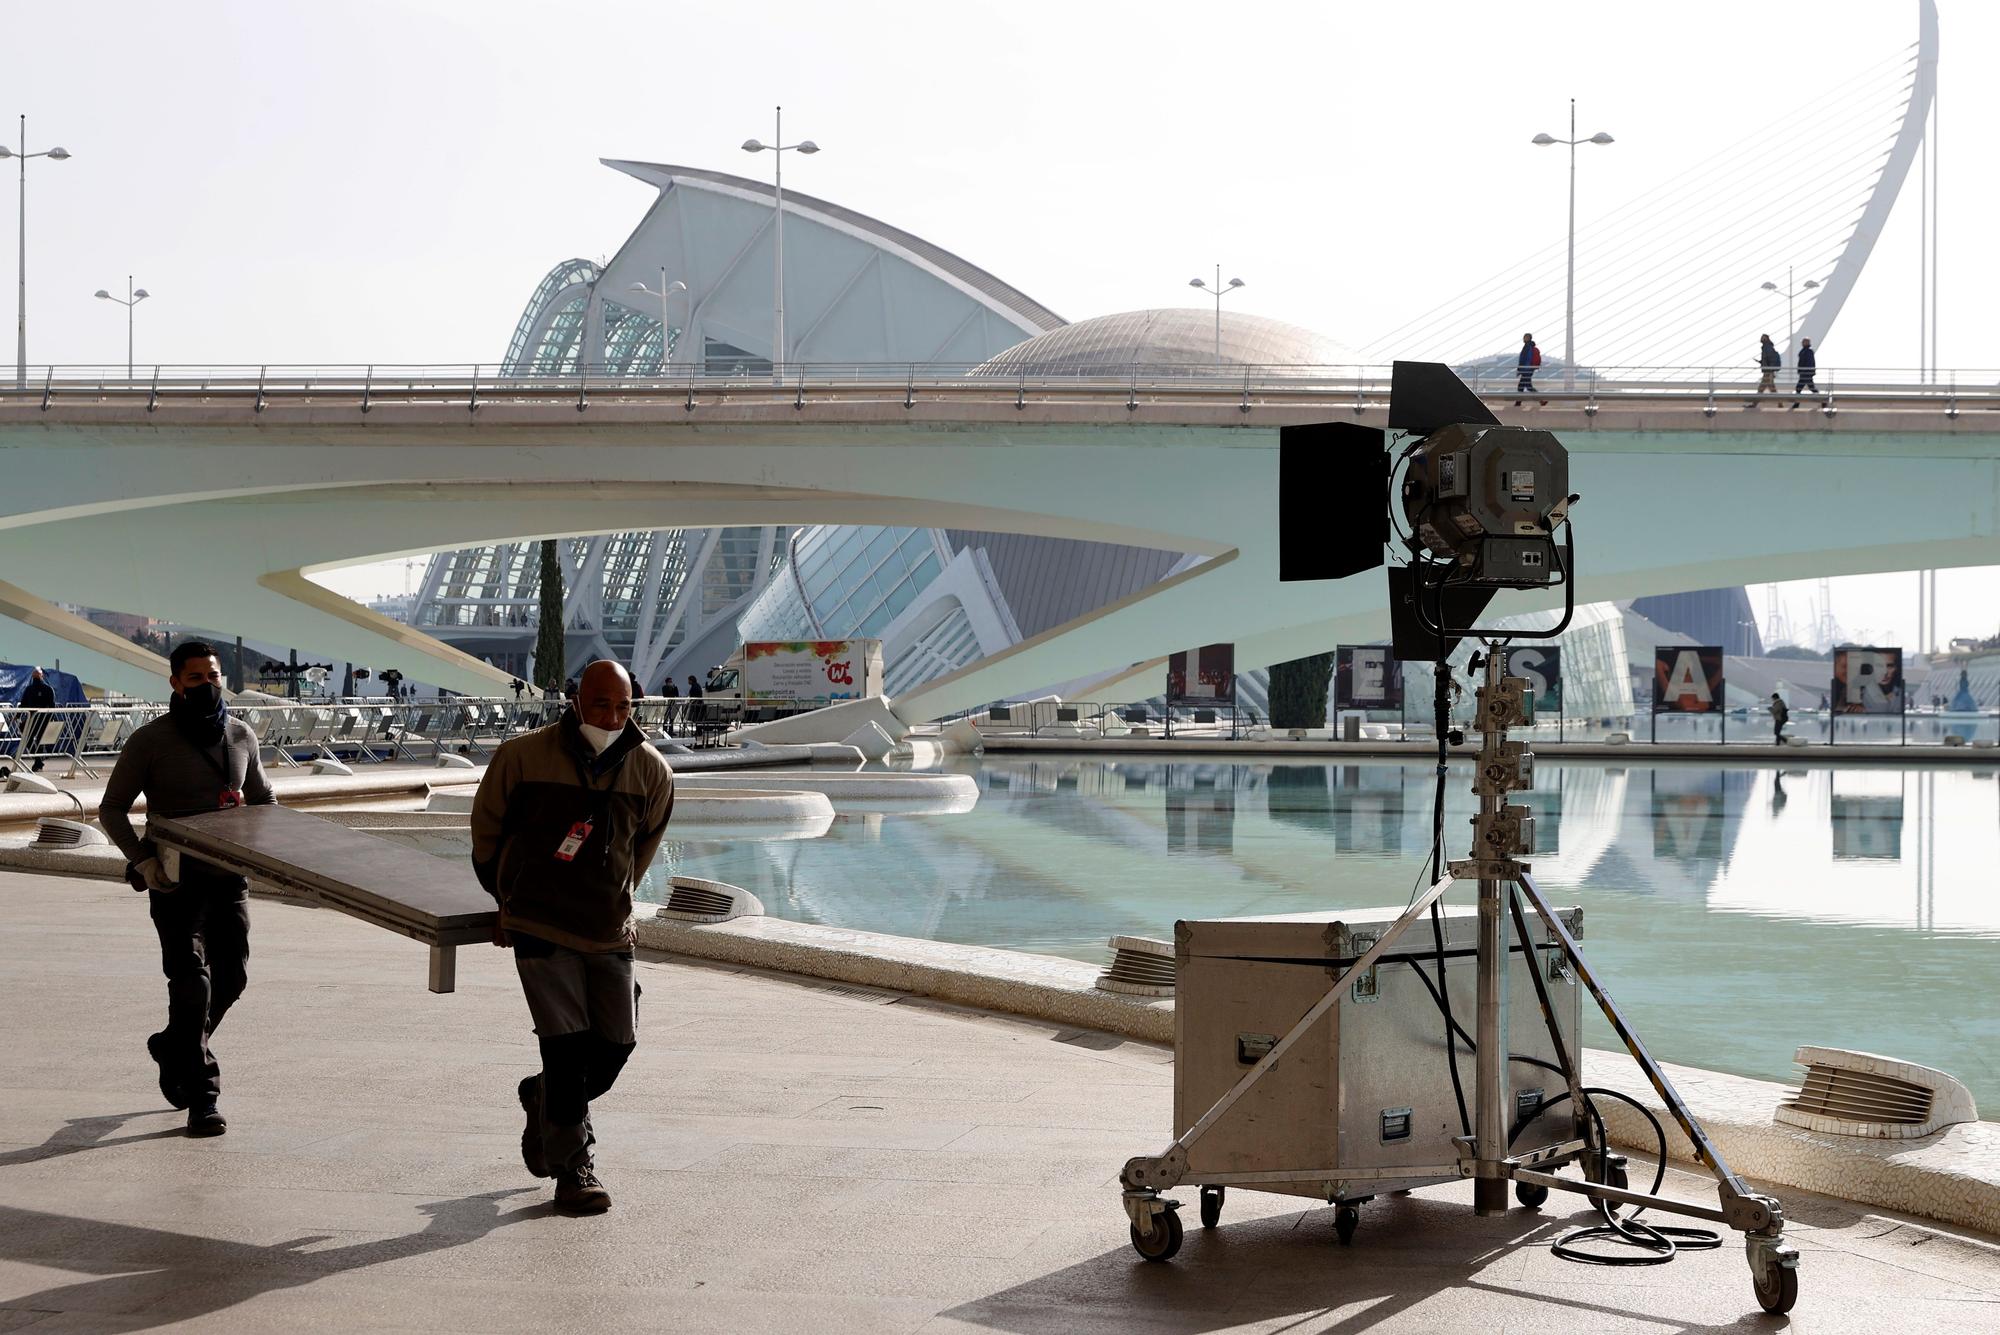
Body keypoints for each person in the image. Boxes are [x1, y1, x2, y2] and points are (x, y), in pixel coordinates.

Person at [470, 659, 675, 1215]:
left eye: (623, 705)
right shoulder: (523, 757)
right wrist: (505, 899)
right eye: (602, 703)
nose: (612, 716)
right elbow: (486, 832)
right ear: (577, 700)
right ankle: (572, 1168)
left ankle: (541, 1098)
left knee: (615, 1045)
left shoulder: (650, 770)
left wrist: (618, 898)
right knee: (564, 1049)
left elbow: (642, 849)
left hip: (608, 928)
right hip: (538, 922)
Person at [99, 640, 275, 1137]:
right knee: (191, 982)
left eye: (212, 676)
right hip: (174, 882)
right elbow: (111, 808)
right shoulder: (150, 741)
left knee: (233, 979)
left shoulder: (241, 735)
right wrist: (141, 859)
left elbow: (264, 802)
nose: (206, 685)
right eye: (194, 678)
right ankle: (203, 1097)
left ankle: (174, 1046)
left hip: (229, 880)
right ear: (175, 683)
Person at [18, 666, 56, 771]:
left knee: (35, 740)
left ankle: (38, 762)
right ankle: (38, 761)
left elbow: (52, 706)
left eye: (36, 675)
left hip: (40, 719)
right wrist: (17, 715)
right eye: (34, 676)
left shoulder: (46, 689)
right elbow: (23, 704)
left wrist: (50, 718)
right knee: (31, 740)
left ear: (41, 676)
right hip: (34, 719)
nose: (35, 678)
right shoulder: (30, 689)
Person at [1514, 333, 1544, 406]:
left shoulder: (1527, 347)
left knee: (1524, 387)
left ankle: (1541, 400)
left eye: (1525, 337)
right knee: (1525, 386)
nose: (1523, 339)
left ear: (1528, 338)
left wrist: (1521, 369)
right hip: (1528, 370)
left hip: (1526, 370)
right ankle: (1541, 400)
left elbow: (1525, 359)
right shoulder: (1529, 346)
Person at [1792, 337, 1817, 407]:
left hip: (1806, 373)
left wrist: (1804, 371)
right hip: (1805, 373)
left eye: (1803, 342)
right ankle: (1797, 403)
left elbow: (1809, 362)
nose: (1802, 343)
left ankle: (1823, 400)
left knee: (1801, 388)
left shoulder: (1808, 351)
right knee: (1807, 388)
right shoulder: (1805, 350)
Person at [1755, 334, 1780, 398]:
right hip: (1768, 371)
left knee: (1762, 388)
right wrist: (1761, 362)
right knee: (1770, 388)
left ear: (1766, 339)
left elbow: (1771, 359)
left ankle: (1754, 403)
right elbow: (1767, 359)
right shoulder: (1766, 347)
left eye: (1762, 337)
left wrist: (1770, 369)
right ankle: (1780, 402)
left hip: (1768, 372)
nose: (1761, 339)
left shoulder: (1767, 347)